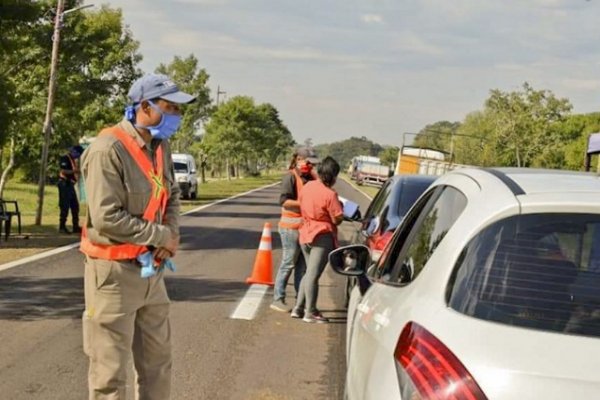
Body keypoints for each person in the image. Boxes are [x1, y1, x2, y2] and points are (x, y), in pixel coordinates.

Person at [80, 73, 195, 400]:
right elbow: (105, 218)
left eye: (179, 109)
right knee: (109, 375)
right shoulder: (107, 149)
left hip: (151, 272)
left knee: (158, 364)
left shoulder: (160, 146)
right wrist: (160, 235)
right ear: (144, 106)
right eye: (170, 107)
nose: (177, 116)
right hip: (113, 276)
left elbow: (171, 194)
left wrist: (170, 236)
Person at [291, 156, 343, 323]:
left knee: (308, 273)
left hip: (305, 232)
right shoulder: (330, 194)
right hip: (322, 236)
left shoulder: (308, 186)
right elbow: (337, 219)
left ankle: (298, 308)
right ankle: (310, 311)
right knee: (313, 275)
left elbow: (301, 203)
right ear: (333, 176)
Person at [270, 148, 318, 312]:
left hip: (305, 229)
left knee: (302, 267)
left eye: (313, 163)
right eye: (308, 162)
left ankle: (300, 301)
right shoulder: (290, 177)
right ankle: (278, 298)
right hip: (290, 228)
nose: (310, 166)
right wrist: (305, 204)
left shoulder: (310, 177)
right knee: (288, 262)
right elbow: (284, 201)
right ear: (298, 159)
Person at [58, 145, 83, 234]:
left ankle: (75, 226)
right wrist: (75, 171)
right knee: (64, 205)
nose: (78, 156)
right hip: (64, 183)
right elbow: (63, 171)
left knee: (75, 206)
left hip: (70, 184)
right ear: (74, 151)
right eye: (78, 154)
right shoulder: (65, 158)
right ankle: (62, 226)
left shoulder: (72, 160)